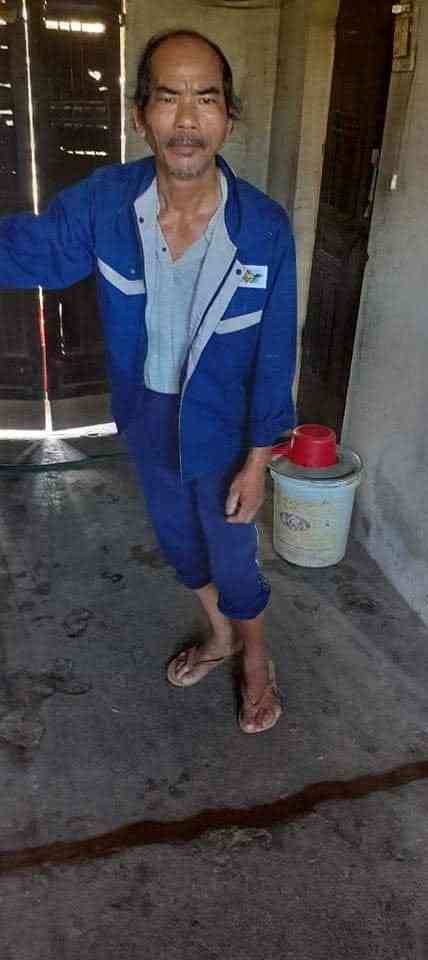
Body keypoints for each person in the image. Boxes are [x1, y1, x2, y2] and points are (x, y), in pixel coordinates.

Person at [0, 29, 297, 734]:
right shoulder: (107, 204)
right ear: (141, 115)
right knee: (179, 541)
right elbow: (37, 251)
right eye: (168, 98)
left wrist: (258, 461)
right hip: (148, 416)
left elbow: (274, 352)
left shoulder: (262, 228)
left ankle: (256, 658)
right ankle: (220, 636)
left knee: (232, 554)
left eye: (206, 99)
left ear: (228, 116)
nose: (186, 119)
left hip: (226, 427)